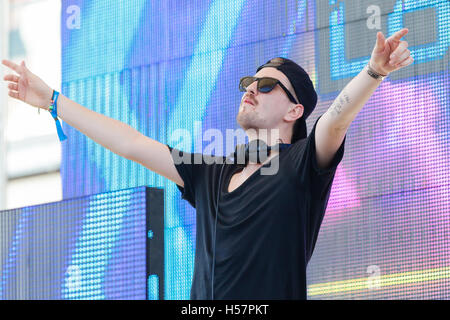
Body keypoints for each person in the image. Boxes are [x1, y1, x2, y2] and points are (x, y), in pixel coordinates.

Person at [2, 28, 413, 299]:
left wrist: (374, 70)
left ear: (294, 112)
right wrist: (53, 101)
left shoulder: (302, 165)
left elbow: (336, 118)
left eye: (266, 85)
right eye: (248, 84)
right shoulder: (212, 173)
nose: (251, 90)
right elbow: (130, 142)